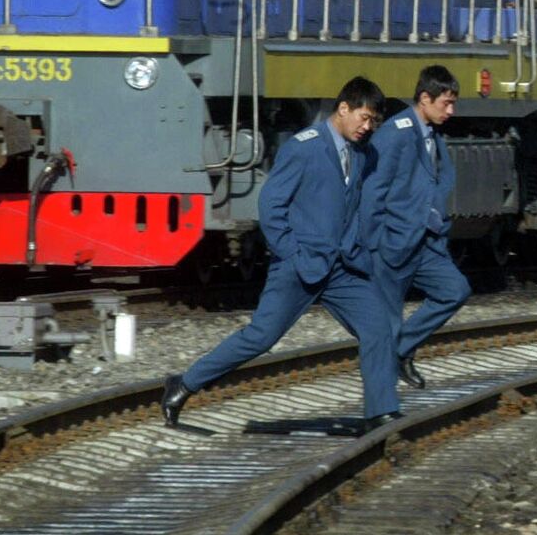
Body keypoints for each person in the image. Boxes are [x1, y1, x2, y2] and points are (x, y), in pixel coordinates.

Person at [162, 77, 399, 431]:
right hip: (299, 266)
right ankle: (184, 383)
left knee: (379, 326)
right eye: (364, 118)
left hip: (343, 266)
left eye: (373, 122)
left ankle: (380, 413)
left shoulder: (364, 152)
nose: (368, 128)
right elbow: (271, 206)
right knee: (260, 336)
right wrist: (291, 252)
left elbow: (354, 205)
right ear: (343, 108)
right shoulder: (303, 147)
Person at [363, 64, 472, 389]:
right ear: (425, 98)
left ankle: (401, 350)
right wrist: (374, 241)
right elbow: (373, 190)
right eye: (445, 103)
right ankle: (382, 406)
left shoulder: (433, 134)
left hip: (427, 243)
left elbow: (438, 179)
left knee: (455, 290)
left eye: (453, 103)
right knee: (388, 320)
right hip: (393, 243)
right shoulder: (394, 133)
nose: (451, 111)